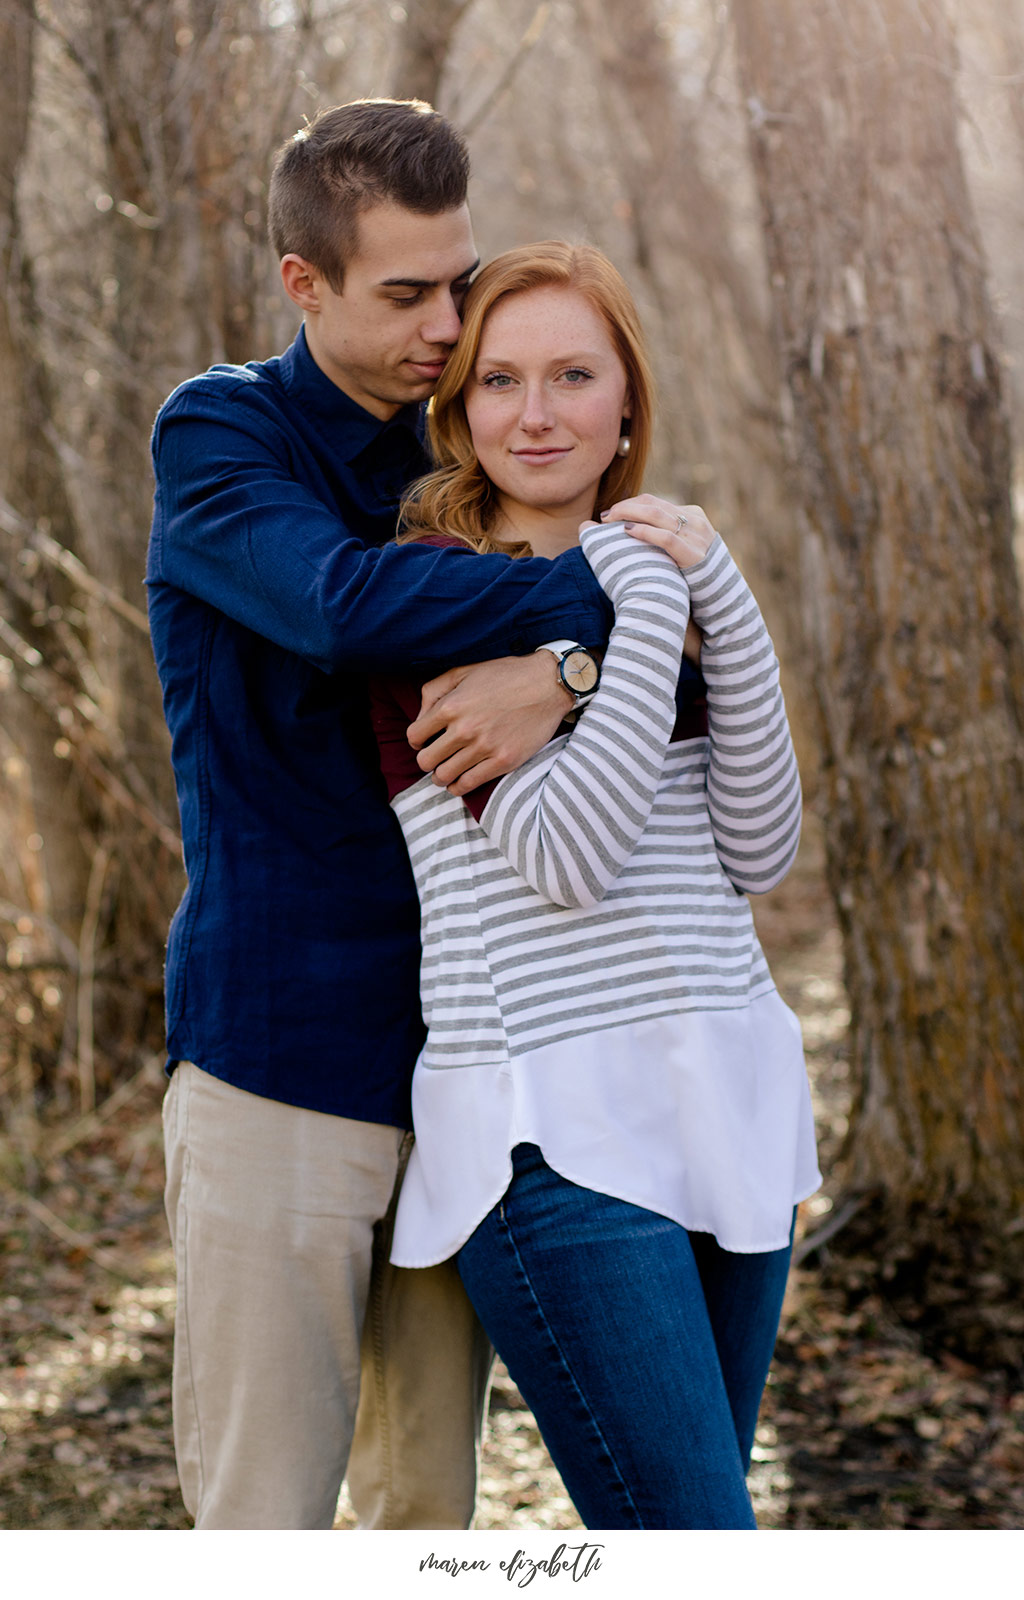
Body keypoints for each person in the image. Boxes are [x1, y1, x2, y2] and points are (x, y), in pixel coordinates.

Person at [146, 102, 617, 1530]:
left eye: (457, 282)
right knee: (261, 1516)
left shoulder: (473, 442)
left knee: (426, 1510)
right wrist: (592, 614)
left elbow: (671, 671)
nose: (445, 321)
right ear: (306, 283)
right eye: (405, 291)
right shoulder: (223, 431)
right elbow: (344, 609)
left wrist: (571, 674)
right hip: (276, 1060)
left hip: (463, 1063)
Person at [369, 241, 821, 1530]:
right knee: (695, 1540)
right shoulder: (431, 602)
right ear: (459, 409)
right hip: (551, 1129)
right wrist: (620, 621)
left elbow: (760, 847)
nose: (537, 412)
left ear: (628, 397)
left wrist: (718, 592)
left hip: (722, 1103)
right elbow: (566, 860)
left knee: (690, 1523)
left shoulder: (670, 574)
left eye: (573, 373)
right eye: (499, 381)